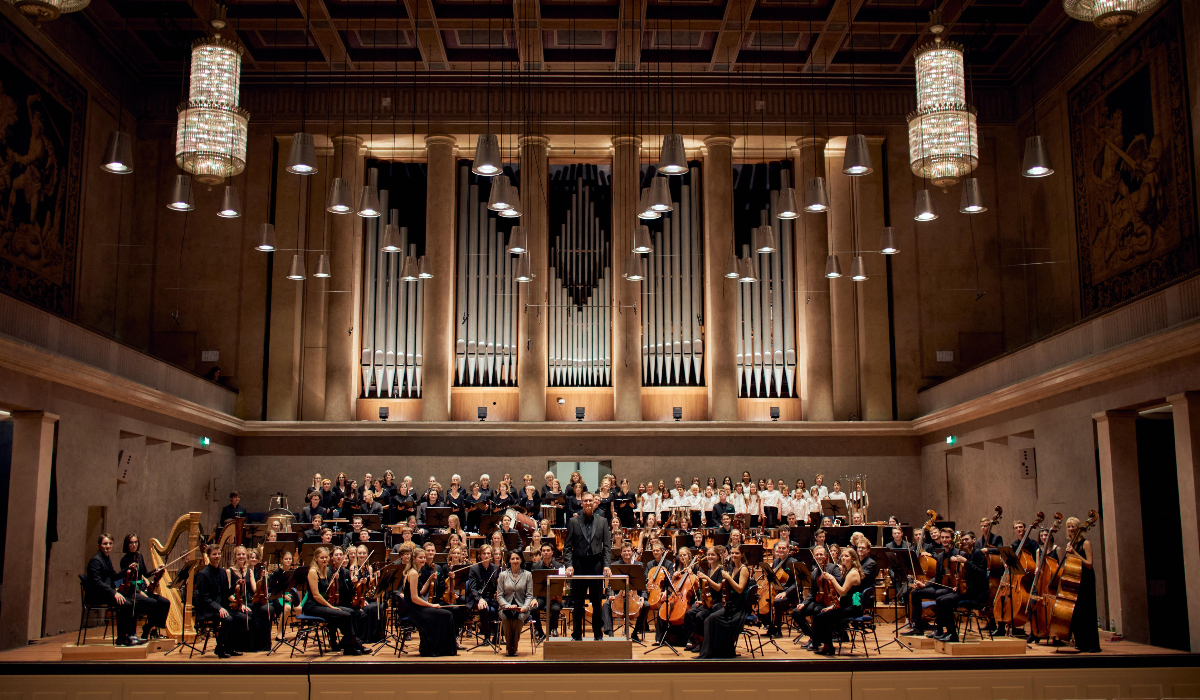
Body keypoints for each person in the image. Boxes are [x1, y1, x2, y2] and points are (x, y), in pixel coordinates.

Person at [563, 492, 612, 641]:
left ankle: (598, 634)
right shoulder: (573, 521)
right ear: (581, 503)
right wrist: (569, 565)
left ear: (595, 503)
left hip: (596, 565)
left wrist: (607, 565)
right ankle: (576, 635)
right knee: (577, 602)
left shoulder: (602, 521)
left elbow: (607, 547)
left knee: (597, 602)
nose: (589, 503)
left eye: (591, 500)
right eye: (586, 501)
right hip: (579, 565)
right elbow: (567, 548)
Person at [303, 546, 366, 656]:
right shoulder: (313, 571)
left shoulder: (324, 570)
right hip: (312, 606)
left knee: (350, 612)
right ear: (316, 558)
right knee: (344, 615)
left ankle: (349, 644)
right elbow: (316, 595)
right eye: (322, 557)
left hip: (321, 605)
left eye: (326, 557)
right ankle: (353, 645)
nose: (324, 559)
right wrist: (330, 606)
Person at [85, 534, 144, 646]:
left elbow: (114, 576)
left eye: (110, 543)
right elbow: (97, 583)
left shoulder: (106, 559)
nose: (108, 546)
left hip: (106, 593)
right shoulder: (96, 561)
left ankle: (130, 635)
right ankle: (122, 637)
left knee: (133, 602)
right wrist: (114, 593)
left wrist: (128, 568)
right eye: (105, 544)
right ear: (99, 545)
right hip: (97, 595)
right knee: (126, 604)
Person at [931, 531, 988, 643]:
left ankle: (953, 635)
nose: (965, 542)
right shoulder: (968, 553)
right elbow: (965, 574)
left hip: (976, 592)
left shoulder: (978, 554)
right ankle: (947, 631)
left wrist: (966, 562)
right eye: (964, 540)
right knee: (939, 599)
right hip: (966, 589)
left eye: (967, 539)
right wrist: (958, 585)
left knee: (946, 601)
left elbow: (981, 573)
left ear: (974, 540)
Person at [695, 545, 751, 658]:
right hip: (729, 604)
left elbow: (740, 589)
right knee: (706, 616)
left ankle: (707, 653)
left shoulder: (744, 569)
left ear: (742, 555)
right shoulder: (732, 568)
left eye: (737, 553)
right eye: (732, 553)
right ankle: (714, 650)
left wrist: (728, 578)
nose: (734, 555)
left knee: (710, 620)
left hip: (738, 608)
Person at [193, 544, 248, 657]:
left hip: (221, 607)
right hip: (208, 609)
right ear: (208, 556)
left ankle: (229, 646)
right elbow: (204, 598)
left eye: (218, 554)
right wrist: (219, 608)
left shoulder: (222, 572)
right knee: (228, 619)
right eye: (214, 554)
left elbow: (225, 593)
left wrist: (235, 585)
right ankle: (221, 648)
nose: (217, 556)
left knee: (242, 617)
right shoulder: (203, 574)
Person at [809, 547, 866, 655]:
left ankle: (828, 646)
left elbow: (842, 592)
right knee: (822, 613)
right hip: (846, 604)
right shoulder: (847, 571)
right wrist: (834, 605)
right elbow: (844, 595)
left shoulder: (853, 573)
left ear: (853, 559)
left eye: (847, 556)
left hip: (853, 607)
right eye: (843, 556)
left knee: (823, 617)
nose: (843, 558)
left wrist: (832, 578)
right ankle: (827, 644)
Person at [903, 528, 957, 637]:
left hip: (952, 588)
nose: (945, 540)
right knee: (916, 593)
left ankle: (940, 628)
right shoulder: (941, 556)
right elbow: (937, 577)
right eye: (943, 537)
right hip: (941, 586)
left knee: (939, 594)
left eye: (947, 537)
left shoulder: (958, 554)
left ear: (952, 539)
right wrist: (925, 584)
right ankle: (918, 627)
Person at [405, 548, 459, 656]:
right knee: (447, 615)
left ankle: (440, 648)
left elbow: (420, 592)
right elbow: (414, 598)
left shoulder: (415, 572)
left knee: (446, 614)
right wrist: (432, 605)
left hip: (416, 608)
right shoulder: (413, 573)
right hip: (415, 611)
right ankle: (440, 649)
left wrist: (429, 580)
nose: (423, 560)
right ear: (413, 559)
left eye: (424, 557)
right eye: (420, 558)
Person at [118, 533, 171, 640]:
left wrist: (156, 570)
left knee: (165, 602)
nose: (134, 545)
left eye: (135, 542)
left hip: (142, 588)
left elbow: (144, 574)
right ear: (126, 544)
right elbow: (127, 581)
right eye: (131, 543)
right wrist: (140, 592)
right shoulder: (124, 560)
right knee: (153, 602)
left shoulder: (139, 556)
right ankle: (150, 630)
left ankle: (149, 627)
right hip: (132, 591)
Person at [1063, 517, 1100, 653]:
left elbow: (1089, 564)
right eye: (1069, 527)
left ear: (1079, 528)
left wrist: (1075, 553)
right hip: (1075, 578)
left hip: (1086, 579)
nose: (1071, 529)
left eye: (1073, 526)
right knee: (1077, 612)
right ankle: (1081, 642)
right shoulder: (1070, 544)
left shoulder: (1086, 544)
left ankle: (1093, 645)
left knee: (1088, 611)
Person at [792, 546, 841, 647]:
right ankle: (813, 637)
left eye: (821, 554)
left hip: (830, 602)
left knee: (816, 611)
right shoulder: (814, 573)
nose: (819, 557)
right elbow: (812, 592)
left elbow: (839, 584)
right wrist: (804, 604)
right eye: (817, 555)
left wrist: (829, 579)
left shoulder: (833, 568)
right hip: (818, 601)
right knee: (796, 612)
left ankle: (815, 641)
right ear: (814, 557)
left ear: (826, 556)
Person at [684, 547, 724, 651]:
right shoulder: (710, 569)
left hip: (717, 603)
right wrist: (701, 601)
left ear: (718, 556)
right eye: (709, 555)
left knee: (700, 616)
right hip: (708, 602)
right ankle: (697, 641)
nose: (710, 557)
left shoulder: (721, 570)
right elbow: (706, 590)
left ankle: (704, 644)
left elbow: (718, 587)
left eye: (713, 555)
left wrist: (706, 578)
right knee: (689, 614)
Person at [497, 549, 534, 656]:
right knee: (507, 619)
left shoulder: (528, 575)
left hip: (521, 607)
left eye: (517, 558)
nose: (515, 561)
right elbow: (499, 596)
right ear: (509, 560)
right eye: (513, 559)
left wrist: (525, 607)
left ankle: (515, 647)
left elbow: (529, 595)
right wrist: (507, 606)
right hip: (505, 608)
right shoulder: (503, 575)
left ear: (521, 560)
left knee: (518, 619)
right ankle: (509, 648)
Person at [467, 543, 501, 642]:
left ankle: (496, 636)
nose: (486, 556)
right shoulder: (474, 569)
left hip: (491, 597)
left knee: (503, 606)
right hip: (478, 598)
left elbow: (498, 586)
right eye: (484, 553)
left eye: (488, 553)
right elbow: (473, 589)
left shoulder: (495, 568)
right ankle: (486, 637)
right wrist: (480, 599)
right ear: (480, 555)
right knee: (483, 608)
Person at [766, 541, 797, 638]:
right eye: (779, 548)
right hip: (777, 591)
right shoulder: (776, 561)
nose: (781, 550)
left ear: (788, 550)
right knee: (760, 600)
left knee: (777, 601)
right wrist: (769, 572)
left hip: (791, 595)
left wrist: (786, 593)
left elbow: (797, 583)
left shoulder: (793, 562)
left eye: (783, 548)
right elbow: (773, 581)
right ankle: (771, 628)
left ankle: (778, 631)